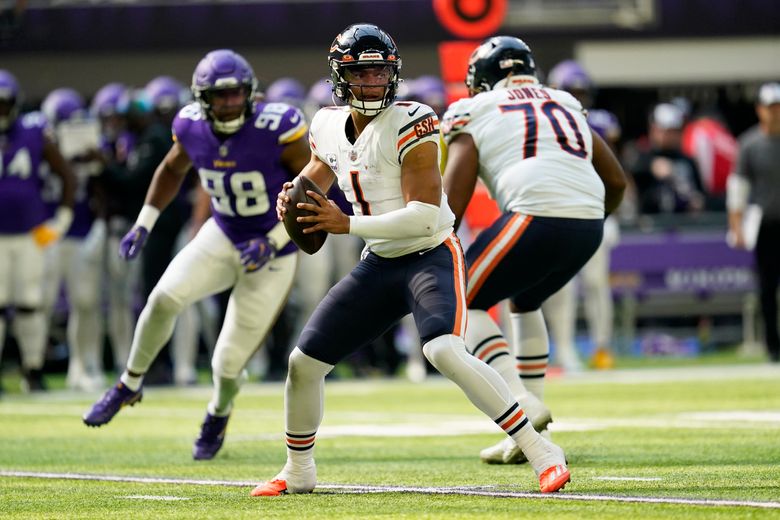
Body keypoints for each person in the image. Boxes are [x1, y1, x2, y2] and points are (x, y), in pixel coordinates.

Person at [250, 23, 570, 498]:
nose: (373, 84)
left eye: (380, 73)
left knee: (443, 350)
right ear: (341, 77)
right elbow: (319, 172)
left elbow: (423, 217)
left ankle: (542, 451)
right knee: (303, 363)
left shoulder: (413, 120)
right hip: (379, 261)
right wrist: (294, 199)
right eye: (362, 74)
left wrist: (345, 224)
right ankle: (298, 469)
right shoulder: (325, 124)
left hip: (430, 254)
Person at [82, 49, 311, 461]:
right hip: (223, 233)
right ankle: (128, 384)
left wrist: (275, 240)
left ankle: (217, 412)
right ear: (203, 98)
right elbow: (172, 169)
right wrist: (145, 223)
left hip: (273, 247)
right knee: (163, 297)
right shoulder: (189, 125)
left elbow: (312, 184)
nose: (229, 103)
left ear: (250, 92)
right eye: (220, 96)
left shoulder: (277, 127)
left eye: (236, 94)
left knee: (226, 364)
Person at [440, 37, 627, 464]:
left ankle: (521, 399)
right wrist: (591, 214)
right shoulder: (565, 101)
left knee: (457, 300)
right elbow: (615, 181)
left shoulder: (474, 108)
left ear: (481, 81)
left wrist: (436, 236)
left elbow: (455, 194)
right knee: (526, 299)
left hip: (533, 215)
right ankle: (524, 436)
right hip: (589, 222)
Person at [542, 61, 621, 372]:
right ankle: (563, 350)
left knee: (596, 283)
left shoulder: (598, 123)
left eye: (580, 92)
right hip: (559, 209)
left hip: (594, 209)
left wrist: (611, 213)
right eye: (569, 91)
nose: (576, 97)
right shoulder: (542, 122)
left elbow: (613, 170)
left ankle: (602, 347)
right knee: (560, 287)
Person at [0, 69, 76, 391]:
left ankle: (33, 369)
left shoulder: (33, 131)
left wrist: (61, 220)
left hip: (30, 232)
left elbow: (67, 174)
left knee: (31, 303)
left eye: (5, 104)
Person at [40, 87, 107, 392]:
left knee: (86, 303)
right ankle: (35, 367)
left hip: (81, 233)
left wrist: (99, 162)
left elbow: (101, 191)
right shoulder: (38, 145)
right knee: (41, 304)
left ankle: (84, 365)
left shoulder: (91, 146)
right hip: (47, 235)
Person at [727, 81, 780, 363]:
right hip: (766, 225)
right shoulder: (750, 144)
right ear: (760, 110)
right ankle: (774, 347)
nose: (775, 113)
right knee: (767, 289)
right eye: (771, 108)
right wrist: (736, 225)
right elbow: (738, 188)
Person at [629, 102, 705, 215]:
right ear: (653, 130)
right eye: (665, 130)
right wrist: (651, 166)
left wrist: (698, 201)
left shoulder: (687, 160)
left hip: (684, 225)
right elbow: (631, 171)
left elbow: (701, 193)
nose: (670, 135)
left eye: (674, 130)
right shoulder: (644, 156)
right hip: (651, 226)